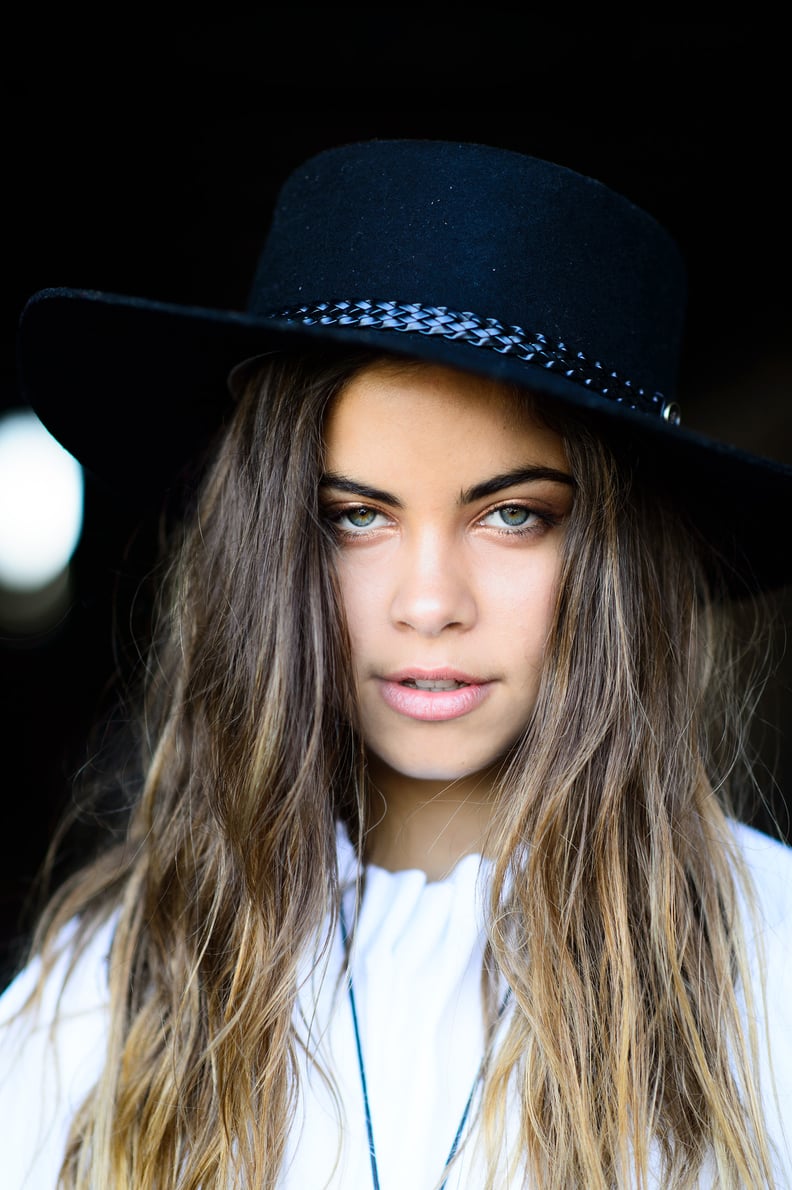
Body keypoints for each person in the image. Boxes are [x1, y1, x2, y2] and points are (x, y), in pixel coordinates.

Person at [1, 137, 791, 1189]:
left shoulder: (770, 968)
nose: (429, 602)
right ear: (270, 540)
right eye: (355, 516)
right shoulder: (101, 996)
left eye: (514, 515)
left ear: (616, 554)